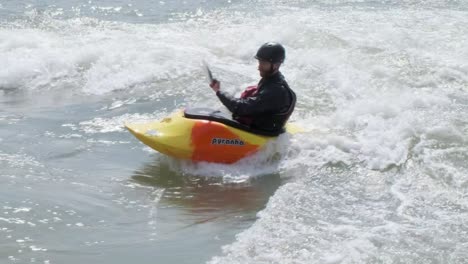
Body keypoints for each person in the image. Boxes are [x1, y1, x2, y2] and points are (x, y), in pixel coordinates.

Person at [209, 42, 296, 134]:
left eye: (263, 63)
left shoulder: (274, 91)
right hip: (264, 123)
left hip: (262, 133)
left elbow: (239, 108)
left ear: (276, 65)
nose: (259, 67)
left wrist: (219, 92)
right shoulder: (272, 80)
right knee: (251, 90)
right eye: (259, 62)